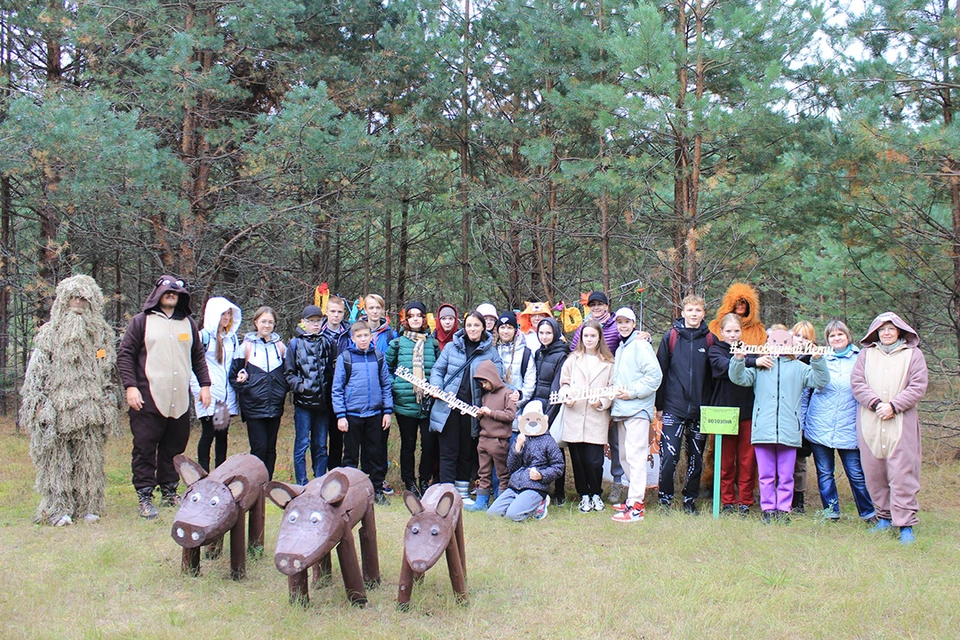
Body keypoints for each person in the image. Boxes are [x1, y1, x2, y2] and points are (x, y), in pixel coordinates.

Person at [20, 275, 121, 526]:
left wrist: (108, 397)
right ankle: (58, 509)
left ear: (92, 302)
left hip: (90, 407)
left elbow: (106, 368)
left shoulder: (101, 336)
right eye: (73, 297)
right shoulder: (49, 333)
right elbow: (37, 370)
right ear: (63, 301)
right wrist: (38, 402)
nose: (78, 302)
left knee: (89, 460)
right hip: (58, 407)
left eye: (84, 298)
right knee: (57, 462)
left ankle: (89, 506)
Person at [117, 276, 211, 518]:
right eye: (167, 291)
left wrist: (205, 385)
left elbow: (198, 357)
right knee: (145, 447)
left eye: (175, 292)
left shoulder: (188, 324)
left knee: (174, 447)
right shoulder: (141, 322)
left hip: (179, 399)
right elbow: (125, 354)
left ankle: (169, 491)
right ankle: (145, 495)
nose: (171, 295)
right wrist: (130, 386)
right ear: (157, 293)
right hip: (148, 397)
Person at [729, 327, 829, 523]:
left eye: (784, 342)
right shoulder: (761, 366)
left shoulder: (799, 367)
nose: (779, 346)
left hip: (788, 430)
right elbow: (738, 378)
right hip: (763, 430)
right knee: (766, 474)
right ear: (768, 344)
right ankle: (768, 509)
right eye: (775, 342)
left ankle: (783, 509)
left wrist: (818, 360)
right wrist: (738, 359)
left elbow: (821, 380)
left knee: (786, 475)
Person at [850, 312, 928, 544]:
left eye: (891, 329)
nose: (886, 333)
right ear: (875, 332)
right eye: (882, 329)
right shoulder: (866, 354)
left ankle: (904, 523)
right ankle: (883, 517)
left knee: (902, 473)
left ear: (900, 332)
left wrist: (894, 406)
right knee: (875, 471)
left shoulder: (913, 355)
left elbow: (918, 386)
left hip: (900, 421)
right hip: (870, 421)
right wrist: (875, 404)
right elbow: (857, 383)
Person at [428, 311, 503, 505]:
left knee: (466, 451)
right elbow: (437, 370)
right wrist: (436, 386)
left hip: (472, 410)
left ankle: (461, 493)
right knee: (448, 451)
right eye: (469, 325)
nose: (472, 329)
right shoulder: (452, 347)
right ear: (464, 327)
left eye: (476, 325)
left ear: (483, 327)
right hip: (448, 407)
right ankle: (446, 494)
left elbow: (498, 378)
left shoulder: (490, 351)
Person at [805, 320, 875, 522]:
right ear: (827, 339)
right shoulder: (820, 358)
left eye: (840, 335)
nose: (836, 338)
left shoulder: (861, 358)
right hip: (820, 422)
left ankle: (867, 512)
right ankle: (831, 511)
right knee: (825, 473)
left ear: (848, 336)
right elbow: (808, 389)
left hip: (849, 424)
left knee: (856, 473)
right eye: (832, 336)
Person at [654, 294, 714, 514]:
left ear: (703, 313)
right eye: (690, 310)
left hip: (700, 409)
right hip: (673, 407)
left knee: (696, 459)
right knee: (669, 456)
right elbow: (661, 371)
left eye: (698, 311)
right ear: (682, 312)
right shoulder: (670, 337)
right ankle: (665, 499)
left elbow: (714, 375)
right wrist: (659, 406)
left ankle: (690, 499)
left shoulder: (710, 340)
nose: (694, 314)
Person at [569, 290, 627, 504]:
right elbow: (567, 374)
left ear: (606, 305)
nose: (596, 308)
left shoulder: (616, 325)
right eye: (592, 304)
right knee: (580, 456)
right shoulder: (580, 337)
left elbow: (629, 335)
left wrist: (644, 336)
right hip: (578, 407)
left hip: (602, 401)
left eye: (600, 304)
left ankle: (613, 485)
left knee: (607, 450)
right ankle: (585, 494)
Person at [708, 313, 767, 516]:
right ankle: (727, 501)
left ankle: (745, 500)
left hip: (748, 412)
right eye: (729, 331)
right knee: (725, 462)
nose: (733, 335)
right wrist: (753, 362)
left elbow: (756, 362)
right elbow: (724, 368)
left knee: (747, 461)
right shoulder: (715, 351)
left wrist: (752, 360)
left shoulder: (749, 350)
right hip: (723, 411)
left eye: (736, 331)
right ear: (721, 332)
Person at [609, 308, 662, 523]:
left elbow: (654, 376)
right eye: (619, 322)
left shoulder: (640, 345)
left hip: (637, 410)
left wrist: (632, 393)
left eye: (626, 322)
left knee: (636, 456)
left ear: (634, 324)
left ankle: (637, 505)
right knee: (624, 457)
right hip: (622, 410)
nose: (622, 325)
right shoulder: (622, 347)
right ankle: (632, 498)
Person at [332, 321, 394, 504]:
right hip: (352, 414)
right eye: (359, 336)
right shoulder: (346, 358)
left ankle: (376, 491)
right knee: (351, 455)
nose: (363, 339)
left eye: (366, 335)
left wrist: (387, 411)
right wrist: (341, 415)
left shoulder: (378, 357)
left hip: (375, 414)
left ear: (371, 337)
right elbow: (337, 388)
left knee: (375, 454)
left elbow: (386, 385)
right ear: (353, 338)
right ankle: (349, 492)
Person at [558, 320, 615, 513]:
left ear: (599, 338)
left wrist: (601, 402)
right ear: (581, 338)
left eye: (593, 336)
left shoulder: (608, 362)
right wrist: (566, 395)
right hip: (574, 415)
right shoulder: (573, 359)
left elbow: (611, 389)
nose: (589, 339)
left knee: (594, 461)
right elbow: (564, 382)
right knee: (579, 460)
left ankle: (596, 493)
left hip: (595, 418)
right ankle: (584, 495)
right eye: (586, 336)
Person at [386, 301, 440, 495]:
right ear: (406, 319)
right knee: (408, 444)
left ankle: (424, 479)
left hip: (427, 403)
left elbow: (438, 370)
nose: (416, 318)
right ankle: (409, 481)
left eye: (419, 315)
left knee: (428, 443)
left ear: (424, 318)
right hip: (405, 402)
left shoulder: (432, 344)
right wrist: (396, 386)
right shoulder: (397, 343)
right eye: (411, 315)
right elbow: (387, 368)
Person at [231, 306, 288, 480]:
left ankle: (267, 483)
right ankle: (256, 482)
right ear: (256, 322)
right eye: (263, 321)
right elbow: (233, 376)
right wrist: (245, 387)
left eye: (270, 322)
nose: (267, 325)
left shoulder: (280, 347)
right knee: (259, 446)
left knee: (271, 447)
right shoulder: (245, 347)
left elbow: (288, 374)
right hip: (253, 407)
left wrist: (282, 391)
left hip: (275, 406)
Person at [285, 304, 337, 485]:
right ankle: (301, 482)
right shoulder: (294, 343)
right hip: (303, 403)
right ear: (304, 322)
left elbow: (333, 369)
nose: (316, 324)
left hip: (323, 404)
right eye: (312, 321)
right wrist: (301, 387)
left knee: (321, 445)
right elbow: (289, 373)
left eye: (318, 321)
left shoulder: (328, 342)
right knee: (302, 445)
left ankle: (319, 482)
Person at [487, 401, 564, 522]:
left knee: (513, 516)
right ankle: (519, 502)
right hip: (515, 485)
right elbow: (511, 467)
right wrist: (517, 448)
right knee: (492, 514)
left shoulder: (549, 441)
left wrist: (541, 475)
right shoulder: (520, 438)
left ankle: (540, 504)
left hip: (535, 486)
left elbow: (558, 466)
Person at [191, 297, 242, 472]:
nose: (226, 317)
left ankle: (220, 473)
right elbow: (193, 366)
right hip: (208, 395)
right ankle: (203, 473)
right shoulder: (202, 337)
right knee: (208, 434)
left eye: (229, 314)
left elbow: (235, 365)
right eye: (223, 314)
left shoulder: (231, 338)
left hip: (225, 397)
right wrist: (199, 391)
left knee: (222, 434)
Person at [466, 360, 517, 511]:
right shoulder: (485, 397)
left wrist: (491, 412)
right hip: (484, 440)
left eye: (485, 382)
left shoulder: (508, 394)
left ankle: (501, 503)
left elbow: (510, 416)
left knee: (502, 473)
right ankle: (481, 502)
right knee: (484, 472)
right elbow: (485, 416)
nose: (483, 386)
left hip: (499, 441)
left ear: (492, 378)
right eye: (481, 383)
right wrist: (480, 413)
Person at [529, 316, 569, 504]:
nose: (545, 337)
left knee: (555, 450)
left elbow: (557, 386)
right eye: (541, 333)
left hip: (552, 407)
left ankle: (559, 491)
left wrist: (548, 415)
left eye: (548, 333)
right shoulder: (538, 353)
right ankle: (539, 487)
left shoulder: (562, 354)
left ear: (555, 333)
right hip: (536, 404)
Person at [790, 320, 817, 513]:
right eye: (798, 335)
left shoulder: (813, 361)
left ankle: (798, 499)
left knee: (799, 461)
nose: (800, 340)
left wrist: (803, 423)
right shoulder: (782, 355)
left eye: (805, 337)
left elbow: (809, 394)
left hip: (802, 416)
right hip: (782, 415)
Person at [495, 311, 537, 437]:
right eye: (502, 327)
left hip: (517, 415)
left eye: (509, 327)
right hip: (495, 415)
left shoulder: (525, 353)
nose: (505, 331)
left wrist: (516, 402)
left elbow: (529, 384)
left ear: (515, 330)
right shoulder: (493, 351)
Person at [321, 295, 351, 469]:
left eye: (339, 312)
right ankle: (320, 472)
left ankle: (336, 469)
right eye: (332, 311)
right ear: (326, 312)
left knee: (338, 434)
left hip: (343, 389)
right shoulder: (319, 332)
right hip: (322, 389)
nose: (336, 315)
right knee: (320, 436)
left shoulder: (348, 333)